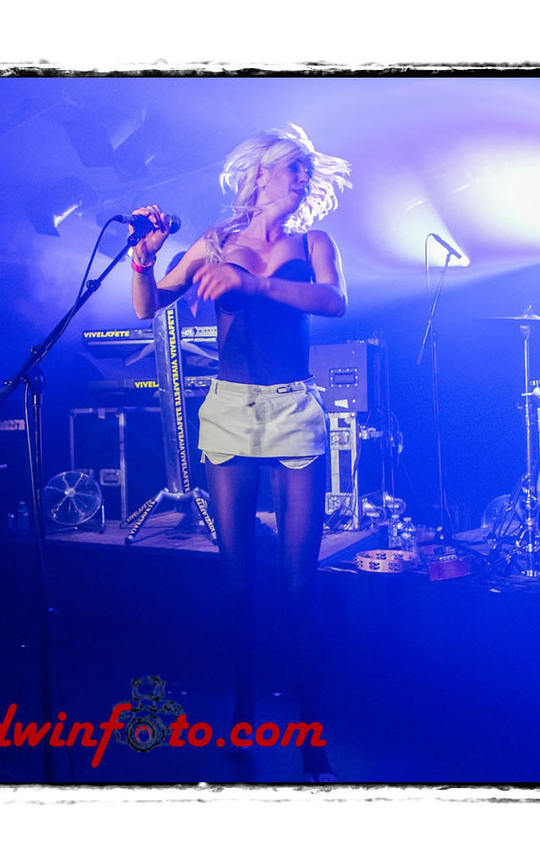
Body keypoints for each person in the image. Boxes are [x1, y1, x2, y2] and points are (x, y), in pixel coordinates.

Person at [130, 125, 351, 783]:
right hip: (229, 411)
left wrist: (254, 286)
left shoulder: (313, 243)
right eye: (294, 168)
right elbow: (150, 305)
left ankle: (312, 735)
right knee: (236, 579)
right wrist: (144, 259)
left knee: (299, 582)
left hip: (293, 408)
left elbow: (335, 301)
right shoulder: (215, 242)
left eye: (308, 171)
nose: (303, 179)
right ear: (260, 173)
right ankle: (244, 707)